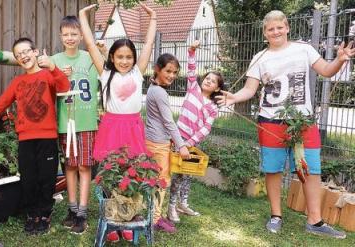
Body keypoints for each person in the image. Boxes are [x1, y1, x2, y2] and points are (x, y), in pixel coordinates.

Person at [216, 10, 355, 238]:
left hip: (303, 121)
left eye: (279, 27)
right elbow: (250, 89)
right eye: (270, 29)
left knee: (311, 170)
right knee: (273, 169)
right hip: (270, 122)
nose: (276, 32)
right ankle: (276, 215)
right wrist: (233, 97)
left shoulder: (304, 49)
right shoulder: (260, 58)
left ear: (287, 27)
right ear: (265, 33)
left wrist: (339, 60)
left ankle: (315, 220)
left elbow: (326, 71)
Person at [0, 37, 70, 235]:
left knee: (46, 178)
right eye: (19, 54)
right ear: (17, 59)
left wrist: (53, 66)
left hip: (47, 138)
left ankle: (44, 214)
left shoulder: (48, 76)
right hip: (25, 140)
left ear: (36, 52)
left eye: (26, 52)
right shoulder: (18, 82)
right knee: (29, 179)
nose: (23, 56)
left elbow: (64, 87)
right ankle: (32, 214)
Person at [79, 2, 156, 243]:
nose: (124, 61)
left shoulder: (137, 72)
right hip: (111, 128)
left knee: (132, 172)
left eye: (129, 57)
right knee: (110, 173)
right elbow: (91, 44)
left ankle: (129, 216)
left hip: (132, 128)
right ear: (112, 57)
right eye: (120, 56)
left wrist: (153, 18)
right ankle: (112, 216)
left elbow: (150, 44)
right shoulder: (105, 73)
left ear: (134, 59)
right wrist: (83, 16)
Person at [166, 41, 224, 224]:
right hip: (178, 138)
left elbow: (206, 128)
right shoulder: (193, 89)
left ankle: (183, 203)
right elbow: (191, 70)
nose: (208, 80)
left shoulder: (213, 107)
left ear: (217, 88)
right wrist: (191, 52)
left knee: (189, 173)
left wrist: (190, 142)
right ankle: (171, 206)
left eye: (213, 81)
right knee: (178, 172)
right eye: (207, 77)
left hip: (192, 143)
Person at [51, 15, 99, 235]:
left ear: (81, 36)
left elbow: (107, 74)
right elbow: (49, 90)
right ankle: (71, 209)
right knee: (70, 166)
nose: (70, 38)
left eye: (74, 34)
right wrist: (57, 76)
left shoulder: (91, 57)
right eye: (66, 34)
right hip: (65, 121)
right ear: (60, 36)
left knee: (84, 167)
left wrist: (104, 52)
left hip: (86, 121)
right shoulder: (54, 61)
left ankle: (82, 212)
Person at [145, 53, 190, 234]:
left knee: (156, 181)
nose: (172, 75)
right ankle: (154, 220)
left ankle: (154, 215)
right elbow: (168, 121)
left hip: (153, 140)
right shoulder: (159, 92)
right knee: (161, 182)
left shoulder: (153, 87)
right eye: (168, 71)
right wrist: (181, 145)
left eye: (175, 72)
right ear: (157, 69)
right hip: (158, 143)